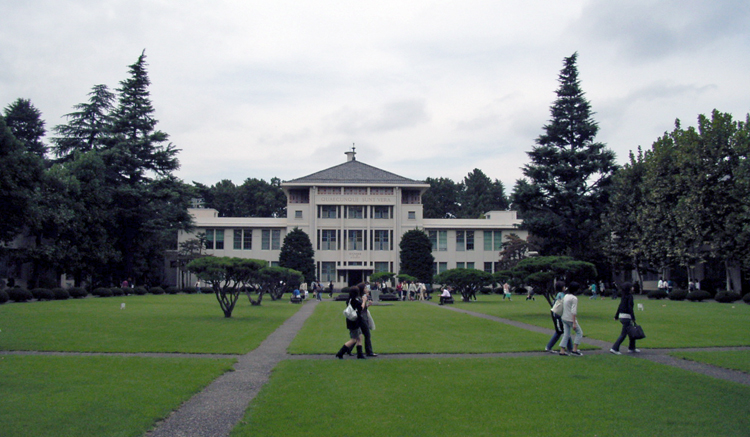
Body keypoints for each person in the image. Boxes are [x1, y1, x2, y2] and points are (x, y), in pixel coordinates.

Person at [335, 287, 367, 359]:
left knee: (360, 337)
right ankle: (340, 352)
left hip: (351, 320)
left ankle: (360, 354)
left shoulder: (349, 300)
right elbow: (361, 308)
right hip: (354, 321)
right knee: (354, 339)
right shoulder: (355, 300)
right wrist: (364, 301)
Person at [610, 282, 639, 355]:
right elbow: (630, 308)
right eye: (631, 287)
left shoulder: (623, 296)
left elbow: (620, 306)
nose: (633, 288)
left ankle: (632, 348)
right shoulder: (630, 296)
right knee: (623, 334)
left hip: (621, 316)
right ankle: (614, 348)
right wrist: (633, 317)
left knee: (631, 332)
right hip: (627, 317)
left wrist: (616, 316)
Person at [546, 282, 573, 353]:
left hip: (559, 314)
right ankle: (548, 347)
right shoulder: (560, 295)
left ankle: (570, 348)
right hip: (557, 315)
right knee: (560, 331)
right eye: (564, 286)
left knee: (564, 331)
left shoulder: (561, 294)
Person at [559, 282, 583, 356]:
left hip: (564, 317)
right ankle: (574, 350)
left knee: (566, 334)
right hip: (570, 319)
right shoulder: (574, 298)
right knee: (579, 333)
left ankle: (562, 350)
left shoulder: (566, 296)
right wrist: (574, 322)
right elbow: (573, 311)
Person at [357, 282, 378, 357]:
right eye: (365, 288)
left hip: (363, 318)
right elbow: (360, 309)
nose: (367, 289)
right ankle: (369, 352)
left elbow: (363, 308)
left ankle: (347, 349)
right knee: (366, 335)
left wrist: (368, 305)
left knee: (358, 335)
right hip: (362, 319)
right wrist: (364, 301)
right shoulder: (361, 298)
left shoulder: (362, 297)